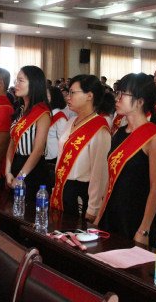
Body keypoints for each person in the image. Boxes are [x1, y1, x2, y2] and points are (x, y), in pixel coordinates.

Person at [96, 73, 156, 244]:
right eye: (117, 93)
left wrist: (144, 229)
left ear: (140, 101)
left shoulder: (153, 137)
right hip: (111, 214)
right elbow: (111, 180)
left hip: (135, 218)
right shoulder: (119, 132)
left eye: (122, 94)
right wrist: (99, 216)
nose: (117, 99)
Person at [50, 75, 111, 220]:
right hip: (63, 188)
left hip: (81, 194)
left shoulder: (99, 128)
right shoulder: (71, 121)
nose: (68, 97)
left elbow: (99, 174)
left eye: (73, 93)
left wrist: (93, 208)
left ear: (89, 96)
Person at [5, 66, 51, 198]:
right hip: (16, 164)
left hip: (33, 170)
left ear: (34, 84)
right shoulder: (20, 110)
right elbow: (12, 142)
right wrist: (8, 171)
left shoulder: (42, 112)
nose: (16, 85)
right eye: (16, 80)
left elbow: (38, 150)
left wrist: (21, 177)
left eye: (21, 81)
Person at [45, 86, 68, 164]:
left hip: (53, 155)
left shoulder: (60, 117)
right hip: (44, 154)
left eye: (47, 96)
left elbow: (63, 140)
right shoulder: (46, 114)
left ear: (54, 98)